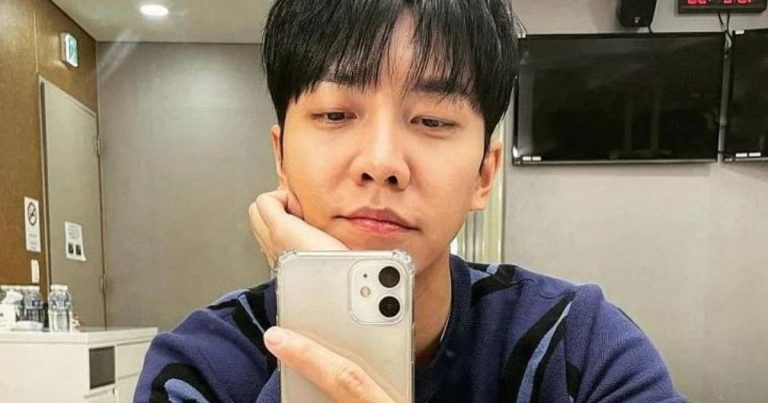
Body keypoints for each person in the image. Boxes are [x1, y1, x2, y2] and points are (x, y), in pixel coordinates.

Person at [135, 0, 685, 402]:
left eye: (432, 121)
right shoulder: (199, 368)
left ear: (484, 174)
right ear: (281, 155)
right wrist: (332, 318)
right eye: (335, 114)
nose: (382, 162)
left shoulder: (577, 347)